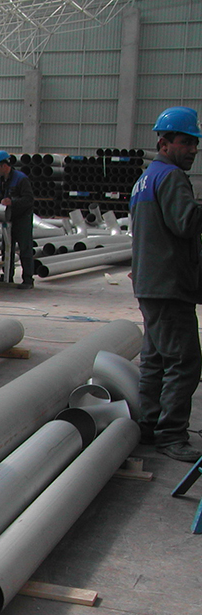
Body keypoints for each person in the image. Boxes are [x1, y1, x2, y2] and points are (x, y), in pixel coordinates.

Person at [129, 105, 202, 462]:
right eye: (186, 142)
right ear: (164, 143)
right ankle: (171, 435)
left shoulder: (144, 180)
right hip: (169, 285)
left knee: (156, 360)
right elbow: (185, 223)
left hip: (150, 283)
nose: (192, 150)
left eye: (195, 143)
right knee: (184, 362)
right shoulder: (171, 177)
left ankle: (149, 424)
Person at [0, 150, 35, 289]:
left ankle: (28, 279)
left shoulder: (21, 179)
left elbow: (29, 200)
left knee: (24, 248)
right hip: (6, 218)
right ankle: (7, 275)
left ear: (4, 165)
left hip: (22, 218)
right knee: (7, 248)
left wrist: (12, 202)